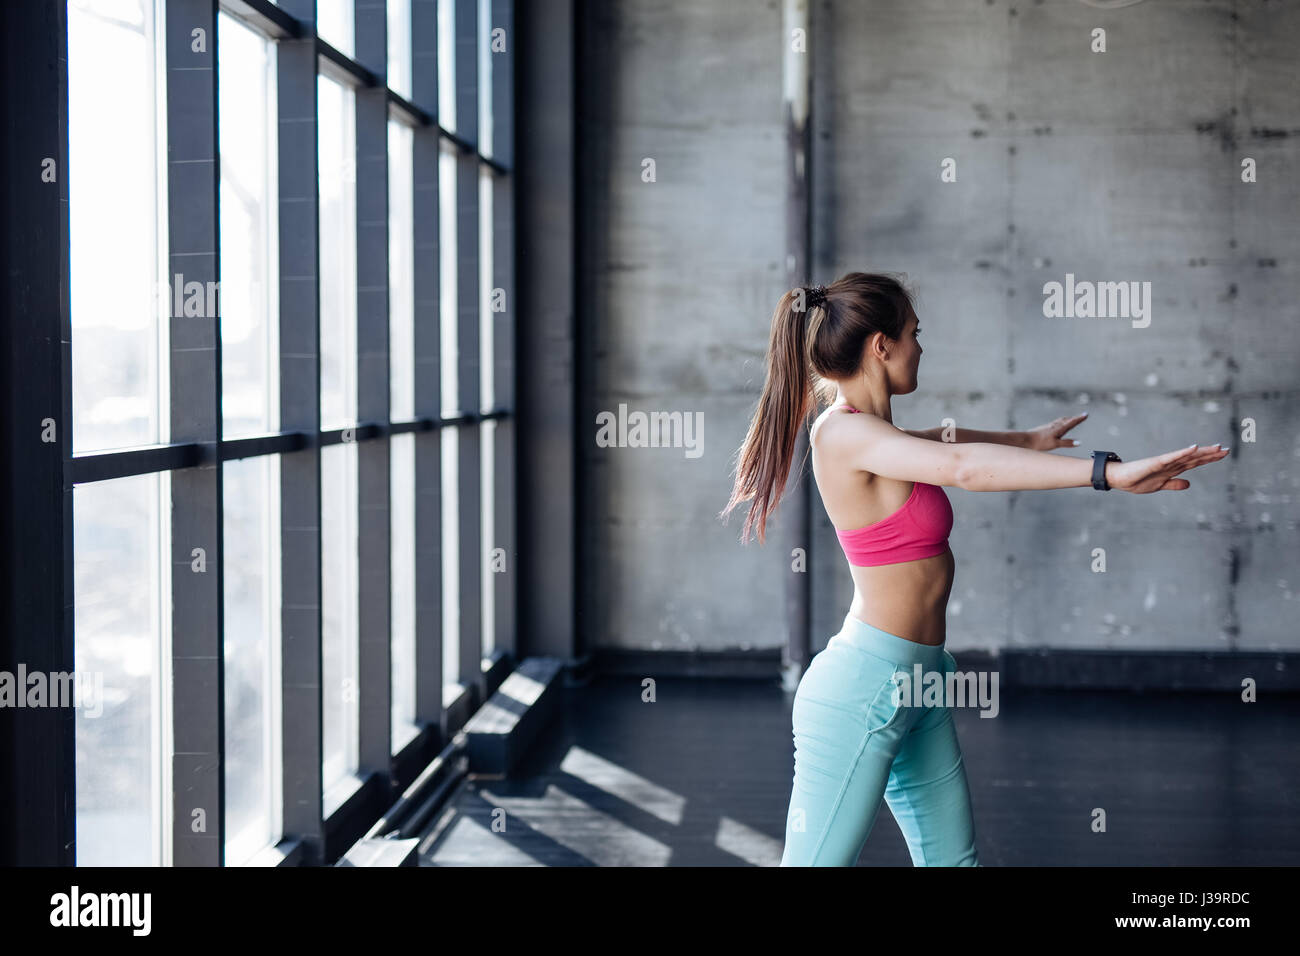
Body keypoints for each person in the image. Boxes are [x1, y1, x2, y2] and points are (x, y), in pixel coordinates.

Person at [718, 271, 1229, 866]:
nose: (921, 346)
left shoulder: (878, 434)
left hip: (921, 681)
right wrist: (1106, 473)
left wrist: (1029, 440)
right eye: (913, 332)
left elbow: (943, 441)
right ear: (881, 346)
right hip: (862, 691)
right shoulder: (840, 432)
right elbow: (959, 464)